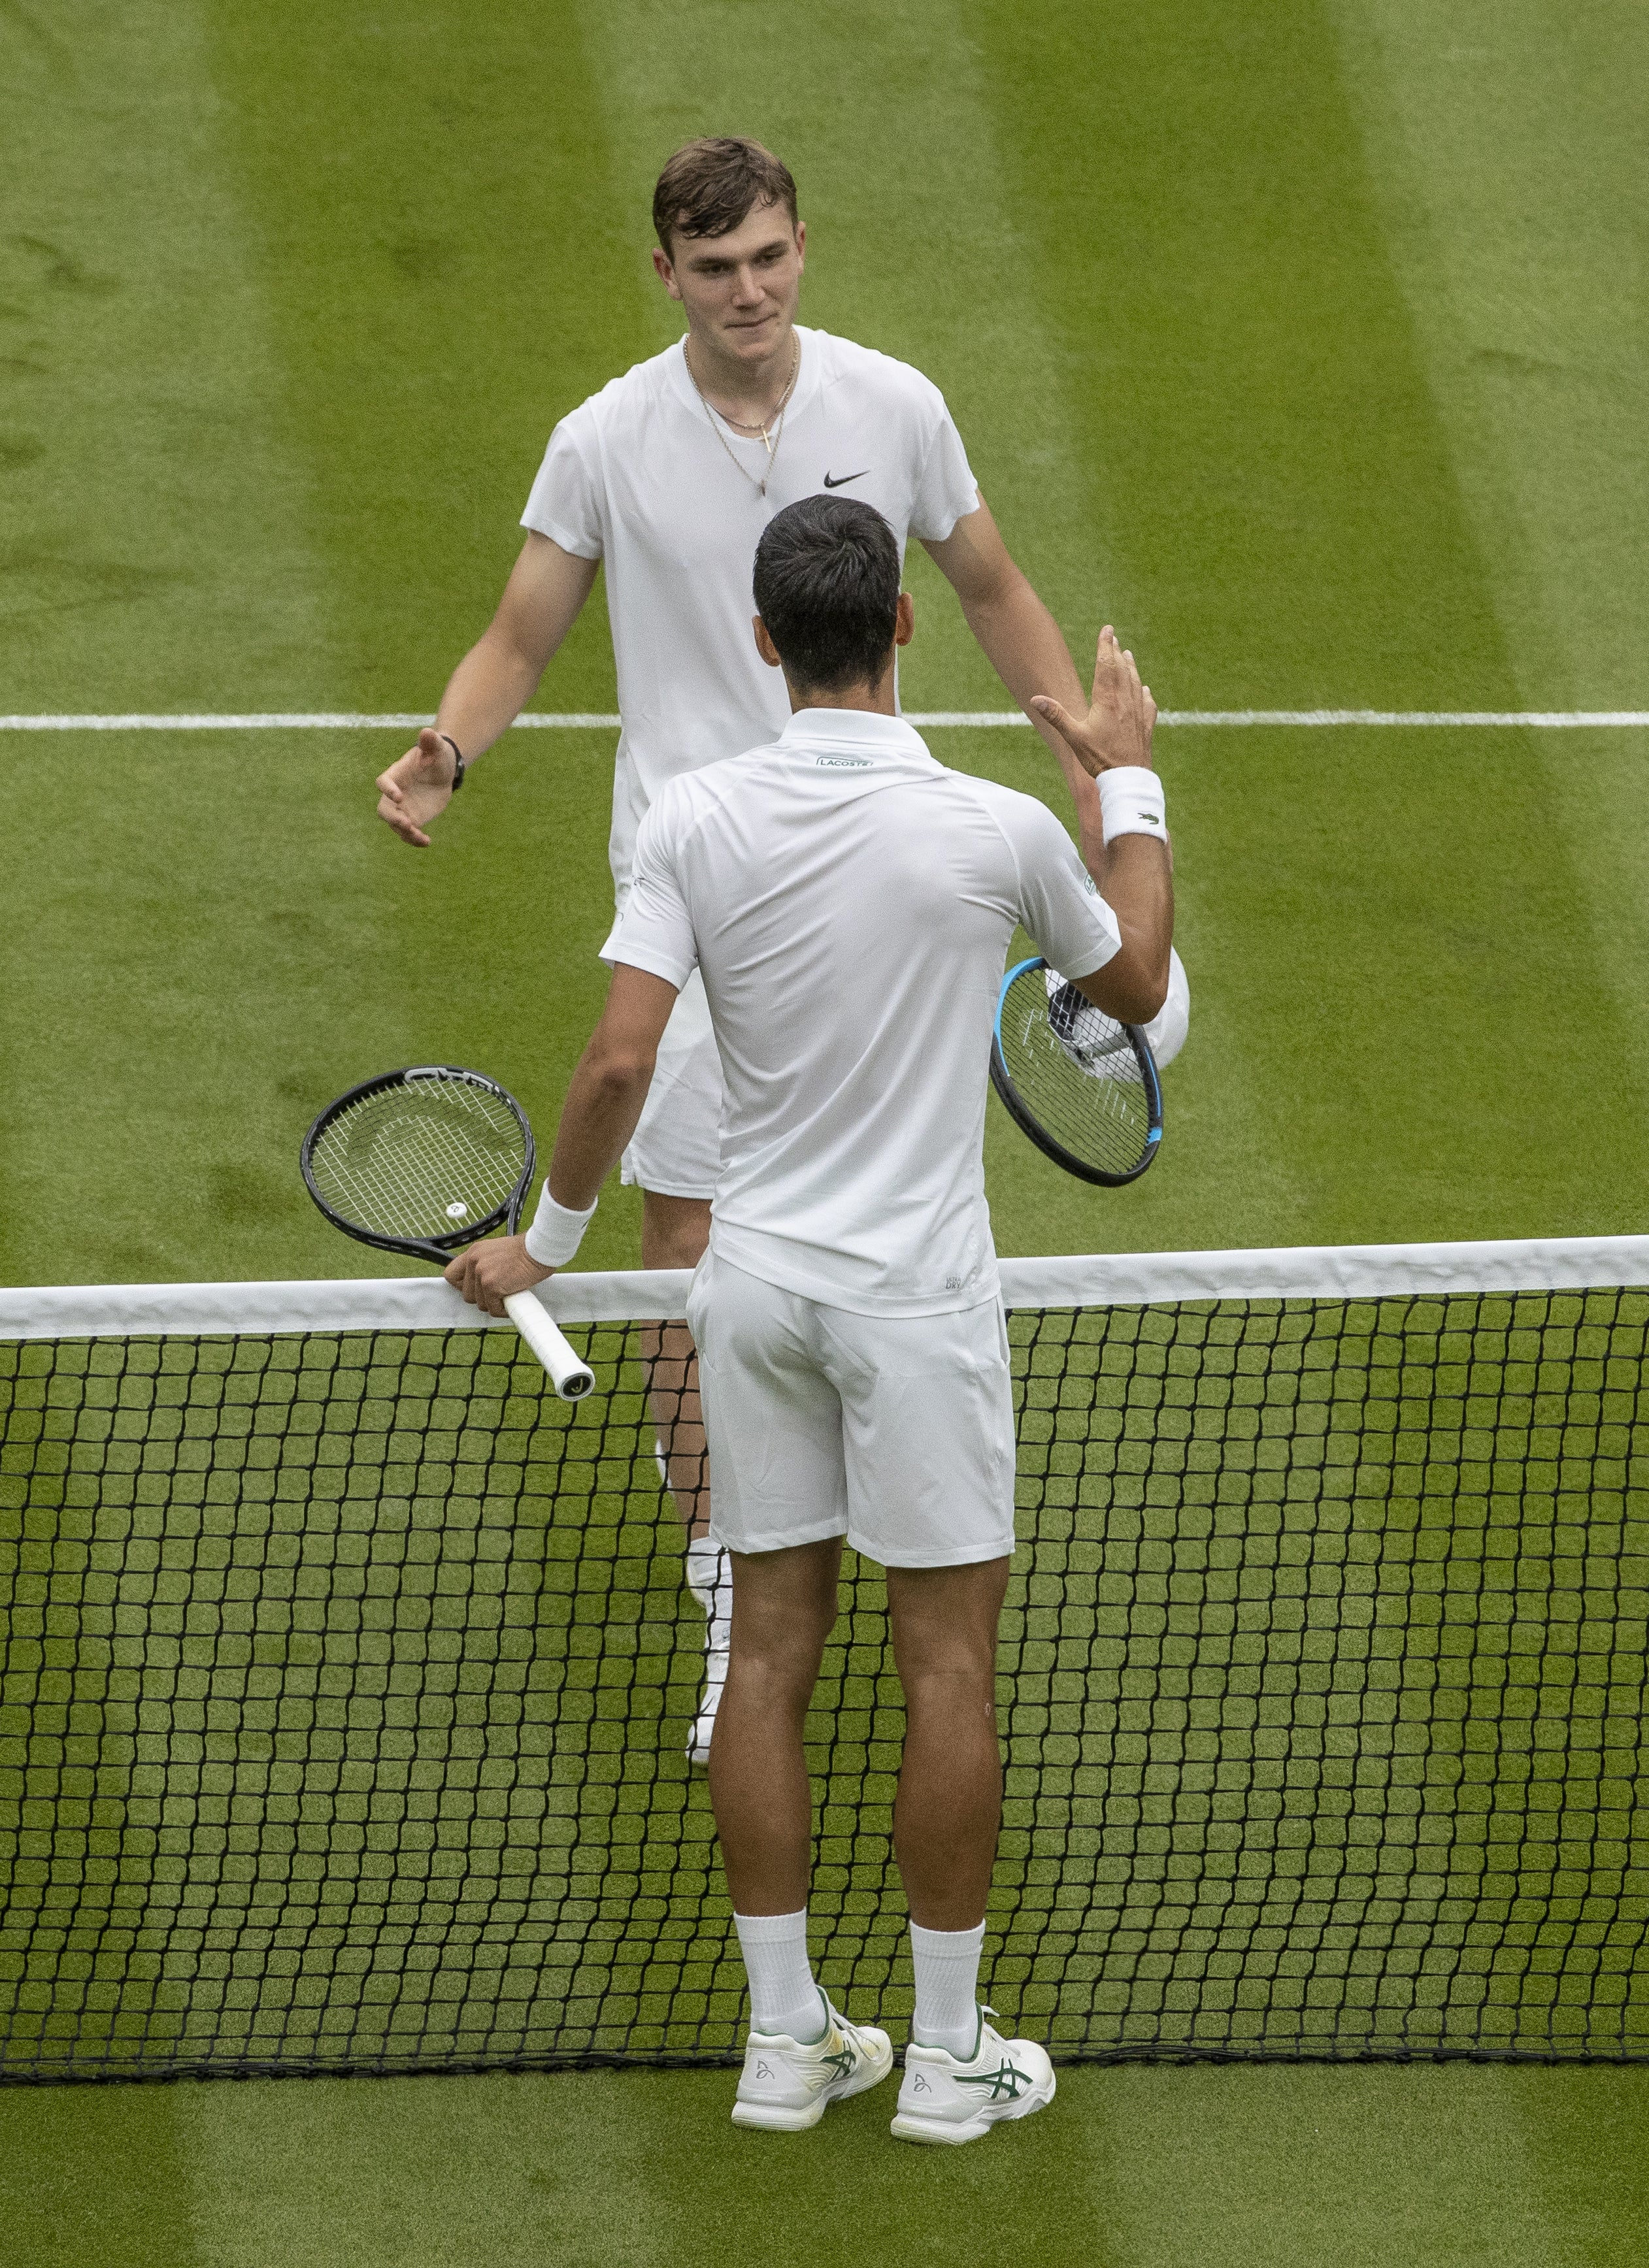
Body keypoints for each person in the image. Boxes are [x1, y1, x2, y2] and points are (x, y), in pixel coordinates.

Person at [374, 135, 1187, 1763]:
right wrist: (447, 752)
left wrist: (1085, 760)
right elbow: (520, 628)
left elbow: (990, 583)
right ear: (662, 273)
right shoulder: (603, 437)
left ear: (801, 249)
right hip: (697, 885)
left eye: (767, 259)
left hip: (870, 868)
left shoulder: (892, 404)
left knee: (852, 1210)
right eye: (712, 266)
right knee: (691, 1245)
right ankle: (729, 1573)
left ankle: (846, 1521)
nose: (746, 292)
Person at [446, 495, 1173, 2144]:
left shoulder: (691, 820)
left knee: (765, 1653)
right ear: (902, 632)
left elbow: (621, 1061)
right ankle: (943, 2056)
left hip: (750, 1292)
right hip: (913, 1302)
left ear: (765, 642)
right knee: (945, 1667)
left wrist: (546, 1241)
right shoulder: (993, 830)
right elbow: (1130, 983)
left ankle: (785, 2044)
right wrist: (1122, 783)